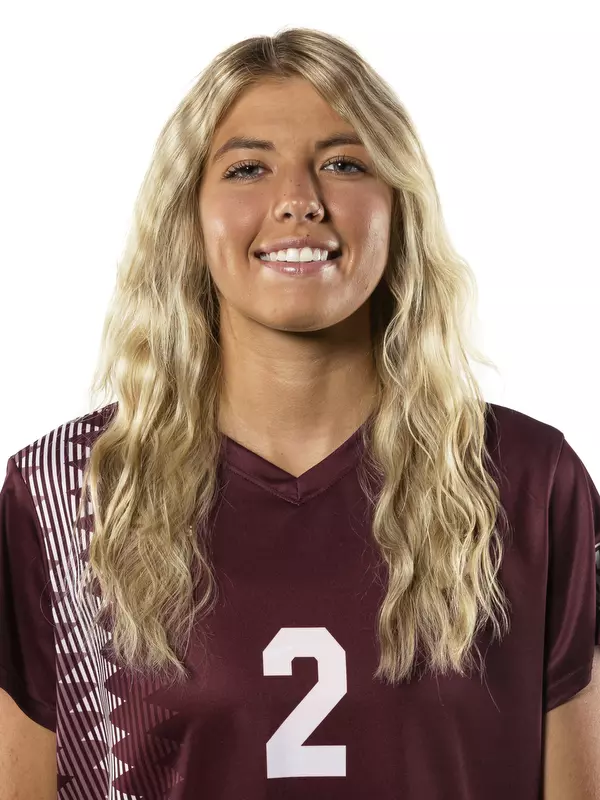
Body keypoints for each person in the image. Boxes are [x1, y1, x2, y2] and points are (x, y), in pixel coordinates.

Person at [1, 26, 599, 800]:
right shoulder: (64, 493)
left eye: (344, 164)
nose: (298, 201)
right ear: (190, 215)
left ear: (398, 208)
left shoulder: (525, 481)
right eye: (248, 168)